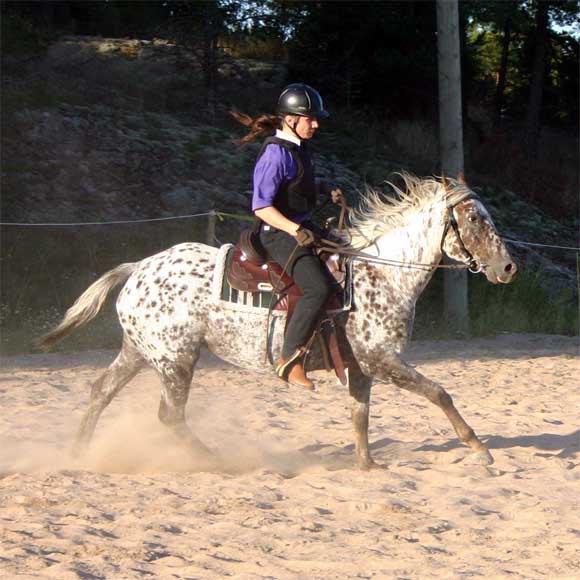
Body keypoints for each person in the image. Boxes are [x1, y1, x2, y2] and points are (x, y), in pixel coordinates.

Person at [232, 83, 344, 389]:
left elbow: (295, 185)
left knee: (348, 256)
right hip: (277, 234)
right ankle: (289, 360)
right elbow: (261, 207)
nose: (316, 124)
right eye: (311, 118)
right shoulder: (274, 155)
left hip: (301, 227)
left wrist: (321, 188)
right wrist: (295, 229)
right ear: (291, 119)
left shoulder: (299, 150)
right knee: (317, 289)